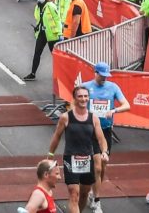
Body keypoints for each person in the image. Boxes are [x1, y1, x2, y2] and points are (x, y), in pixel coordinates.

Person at [46, 85, 109, 213]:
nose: (83, 99)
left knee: (84, 193)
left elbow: (101, 139)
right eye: (80, 96)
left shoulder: (93, 118)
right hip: (71, 159)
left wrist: (104, 152)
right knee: (74, 193)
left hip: (88, 159)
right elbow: (57, 136)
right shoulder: (66, 117)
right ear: (74, 98)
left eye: (86, 96)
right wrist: (50, 155)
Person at [84, 63, 130, 213]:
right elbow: (76, 105)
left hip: (106, 131)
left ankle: (93, 192)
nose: (104, 78)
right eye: (102, 75)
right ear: (95, 72)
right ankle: (97, 201)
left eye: (106, 76)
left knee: (103, 166)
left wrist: (114, 110)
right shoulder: (85, 87)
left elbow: (126, 105)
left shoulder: (113, 87)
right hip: (90, 132)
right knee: (97, 166)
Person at [24, 0, 62, 81]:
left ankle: (60, 76)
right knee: (37, 53)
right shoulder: (37, 7)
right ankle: (33, 73)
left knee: (55, 56)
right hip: (42, 33)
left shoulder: (51, 6)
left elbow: (57, 19)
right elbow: (39, 19)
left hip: (52, 34)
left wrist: (60, 33)